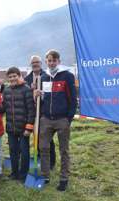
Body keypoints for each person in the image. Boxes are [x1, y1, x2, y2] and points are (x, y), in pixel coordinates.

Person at [35, 49, 77, 191]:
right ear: (46, 62)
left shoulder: (67, 76)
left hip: (62, 119)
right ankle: (45, 175)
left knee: (64, 150)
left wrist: (68, 118)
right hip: (46, 119)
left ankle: (64, 178)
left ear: (59, 61)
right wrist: (37, 95)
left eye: (54, 60)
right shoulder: (43, 77)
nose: (51, 63)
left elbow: (73, 99)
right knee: (44, 148)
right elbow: (44, 98)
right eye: (49, 60)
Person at [0, 67, 35, 182]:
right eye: (10, 76)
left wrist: (29, 127)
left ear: (19, 76)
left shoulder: (26, 89)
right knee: (13, 151)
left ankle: (23, 175)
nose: (12, 78)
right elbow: (3, 107)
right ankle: (14, 173)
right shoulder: (6, 90)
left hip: (23, 128)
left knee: (24, 151)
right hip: (11, 127)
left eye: (14, 76)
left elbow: (31, 110)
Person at [24, 55, 56, 170]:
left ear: (41, 63)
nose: (35, 64)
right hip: (30, 113)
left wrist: (41, 94)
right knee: (35, 137)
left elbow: (51, 95)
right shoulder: (26, 79)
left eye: (37, 62)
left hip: (43, 112)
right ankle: (38, 158)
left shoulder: (47, 76)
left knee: (46, 138)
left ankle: (51, 162)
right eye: (33, 63)